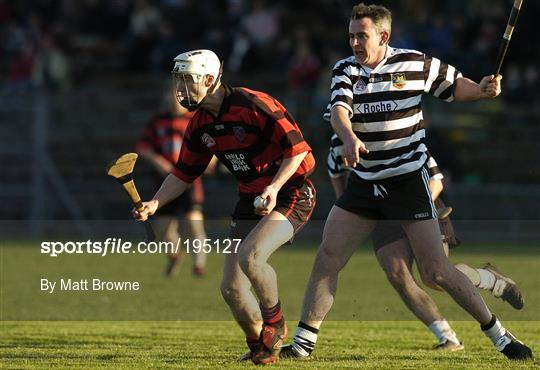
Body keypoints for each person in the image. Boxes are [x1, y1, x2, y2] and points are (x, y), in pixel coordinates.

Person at [281, 3, 532, 361]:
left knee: (437, 273)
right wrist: (350, 138)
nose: (354, 42)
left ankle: (500, 336)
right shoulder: (345, 69)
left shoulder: (415, 63)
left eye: (361, 35)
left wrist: (480, 90)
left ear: (383, 36)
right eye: (351, 35)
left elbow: (455, 86)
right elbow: (339, 111)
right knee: (328, 257)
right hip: (365, 182)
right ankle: (303, 345)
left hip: (407, 180)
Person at [132, 49, 316, 365]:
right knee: (231, 289)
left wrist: (273, 187)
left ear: (208, 78)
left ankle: (275, 323)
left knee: (251, 256)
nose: (181, 89)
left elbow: (298, 149)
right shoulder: (200, 123)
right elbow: (184, 173)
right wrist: (155, 203)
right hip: (250, 198)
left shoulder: (253, 104)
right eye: (178, 81)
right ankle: (261, 345)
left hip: (291, 192)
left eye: (187, 80)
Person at [301, 136, 524, 352]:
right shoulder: (337, 145)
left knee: (435, 277)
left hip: (421, 203)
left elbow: (436, 181)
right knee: (398, 275)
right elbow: (343, 191)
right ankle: (447, 337)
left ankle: (491, 279)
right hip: (380, 213)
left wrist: (422, 212)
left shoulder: (397, 132)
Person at [136, 84, 212, 277]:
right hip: (165, 181)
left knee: (194, 223)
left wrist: (211, 160)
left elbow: (215, 143)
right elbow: (143, 147)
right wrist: (159, 162)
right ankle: (174, 255)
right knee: (164, 229)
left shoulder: (196, 119)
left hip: (190, 180)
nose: (175, 98)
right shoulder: (158, 122)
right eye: (171, 94)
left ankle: (199, 265)